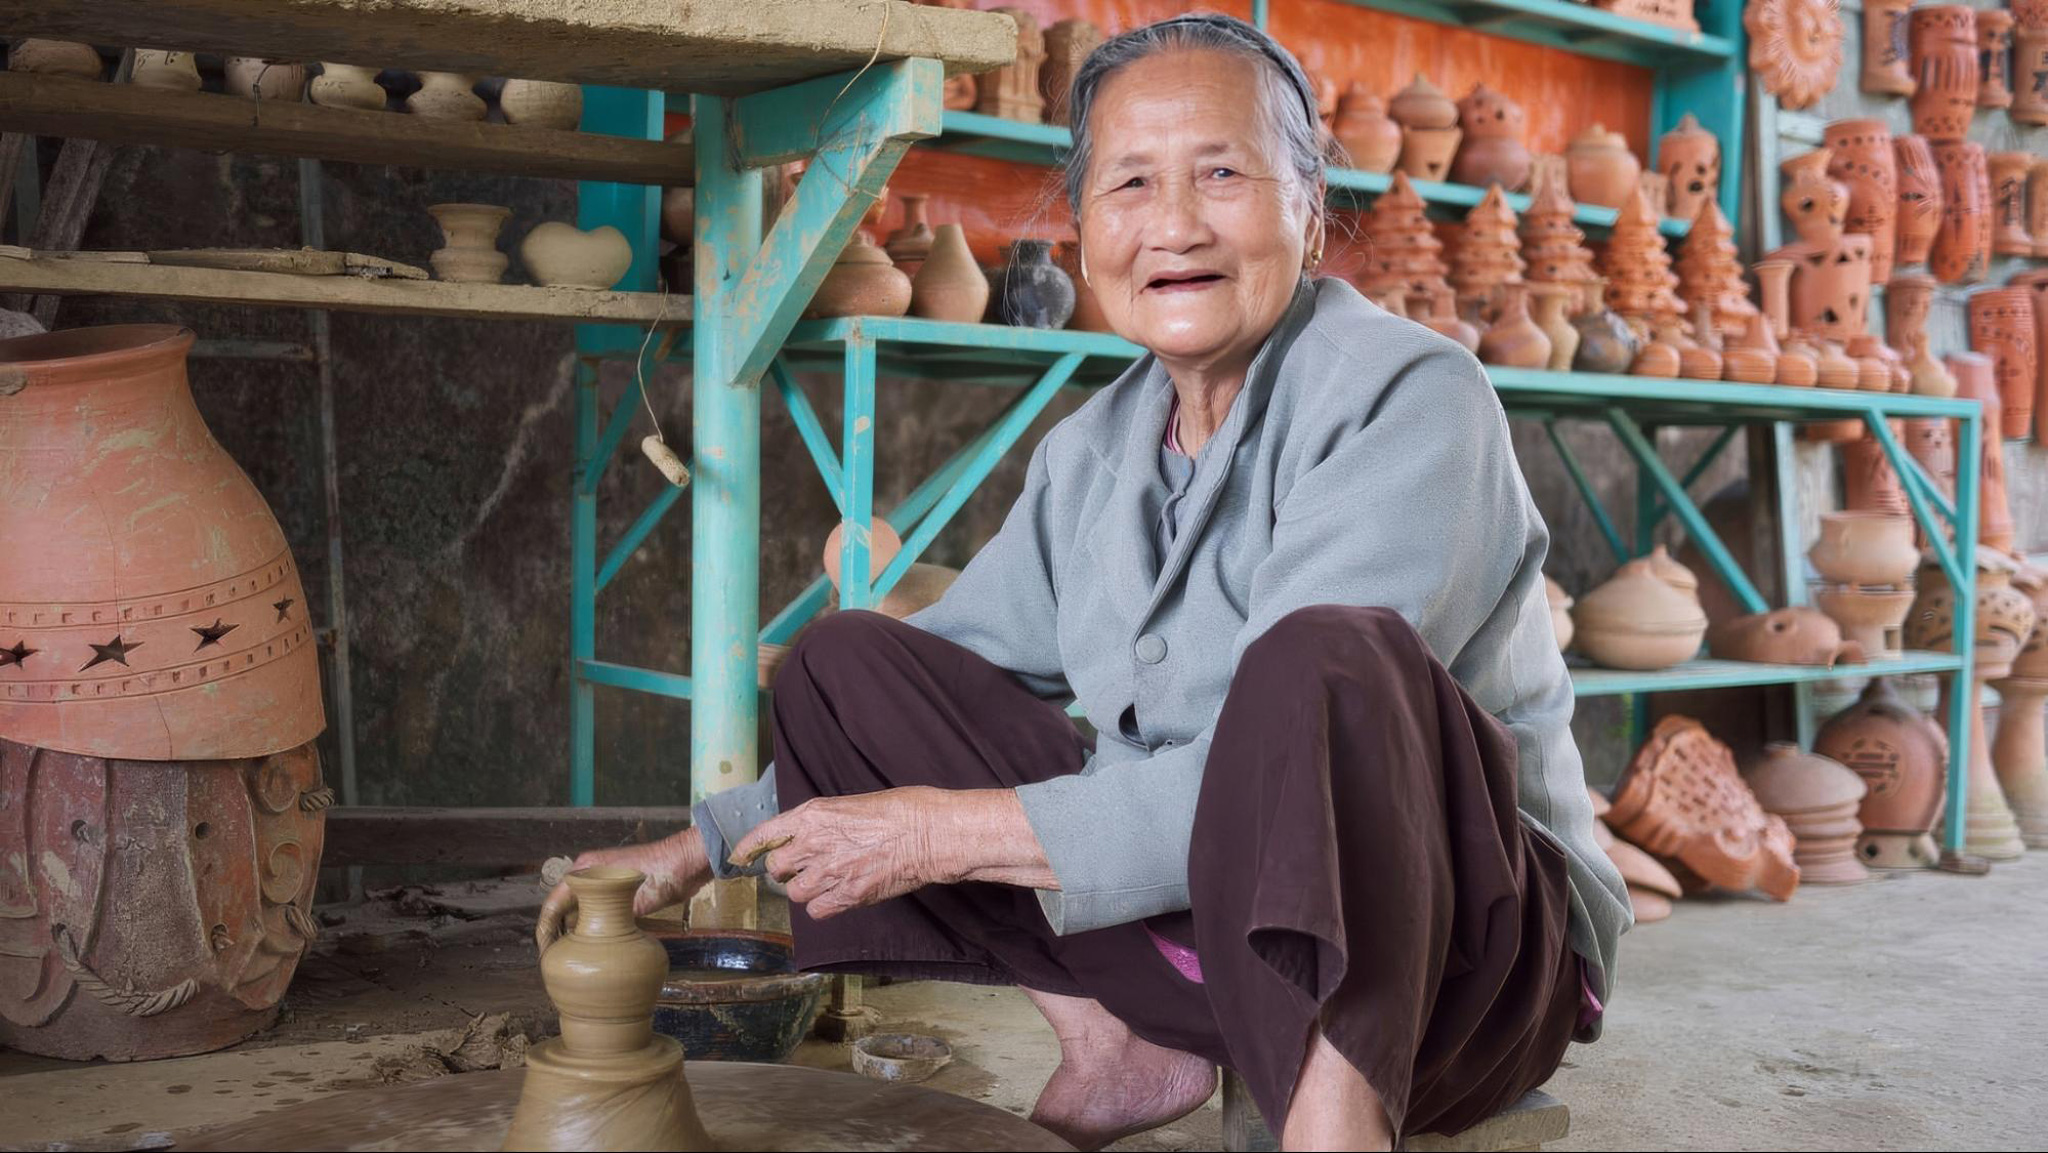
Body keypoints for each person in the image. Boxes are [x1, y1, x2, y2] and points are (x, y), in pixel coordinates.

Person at [543, 14, 1629, 1151]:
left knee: (1324, 661)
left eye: (1220, 172)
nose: (1171, 225)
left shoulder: (1408, 397)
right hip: (1207, 934)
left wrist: (943, 834)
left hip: (1457, 972)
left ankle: (1334, 1119)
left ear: (1306, 205)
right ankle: (1121, 1047)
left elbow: (1304, 762)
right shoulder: (1094, 448)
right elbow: (949, 668)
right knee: (844, 666)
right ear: (1081, 227)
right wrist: (693, 848)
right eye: (1127, 184)